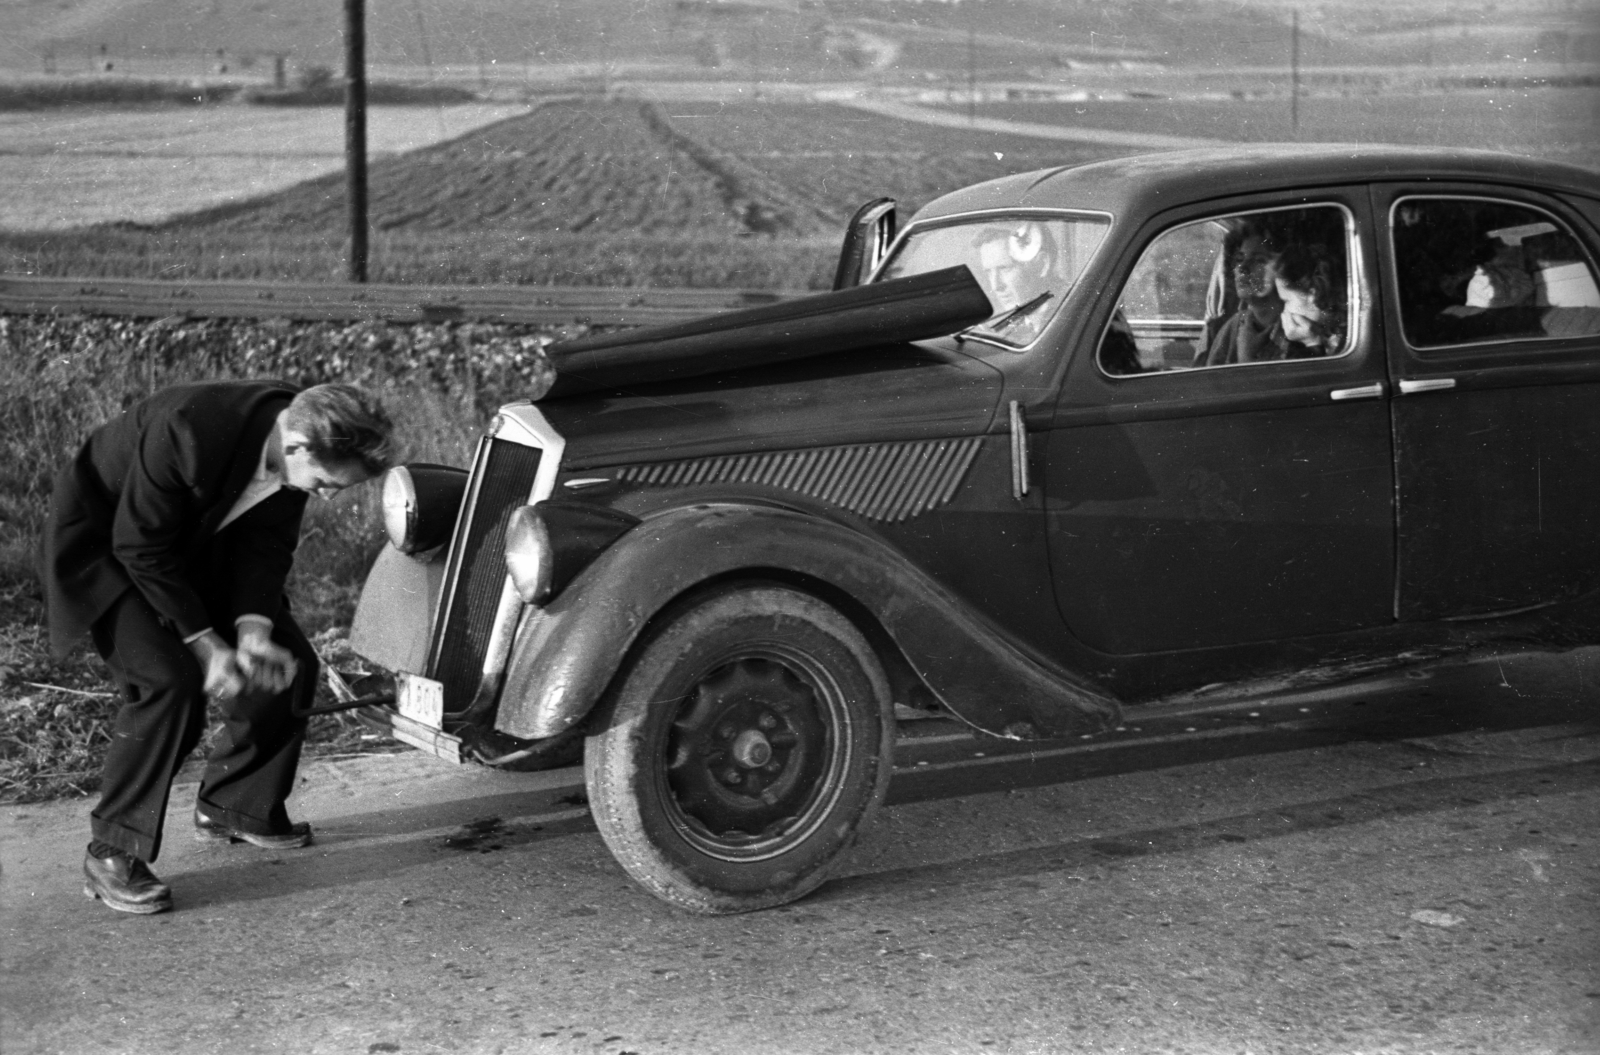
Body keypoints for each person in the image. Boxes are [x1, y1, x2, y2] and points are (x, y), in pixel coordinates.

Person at [38, 380, 395, 914]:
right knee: (169, 682)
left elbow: (266, 545)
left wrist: (252, 635)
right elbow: (139, 546)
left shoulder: (298, 444)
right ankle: (111, 851)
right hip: (106, 550)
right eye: (323, 484)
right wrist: (208, 646)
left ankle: (236, 803)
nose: (327, 497)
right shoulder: (190, 430)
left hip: (193, 546)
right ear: (294, 446)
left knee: (287, 662)